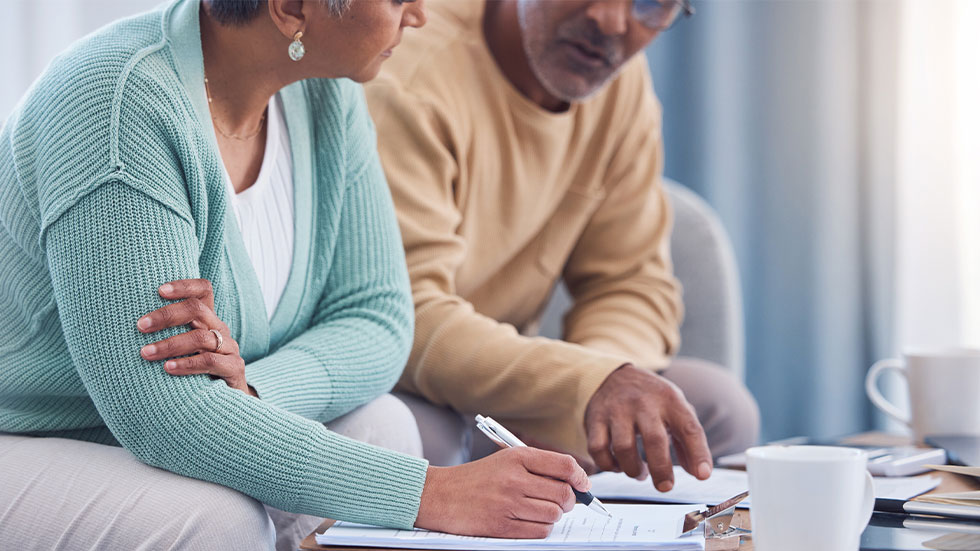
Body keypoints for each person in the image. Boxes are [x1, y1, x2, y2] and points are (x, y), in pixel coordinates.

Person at [0, 0, 591, 548]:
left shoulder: (324, 95)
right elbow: (160, 413)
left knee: (383, 424)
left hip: (148, 423)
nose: (418, 14)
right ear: (290, 8)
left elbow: (378, 318)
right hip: (27, 434)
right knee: (216, 520)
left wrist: (252, 391)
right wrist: (430, 494)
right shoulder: (113, 103)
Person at [365, 0, 761, 491]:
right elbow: (407, 321)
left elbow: (631, 282)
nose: (612, 21)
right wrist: (581, 385)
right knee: (426, 440)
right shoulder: (409, 74)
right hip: (408, 380)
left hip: (517, 377)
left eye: (652, 4)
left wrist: (592, 395)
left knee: (720, 409)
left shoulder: (619, 82)